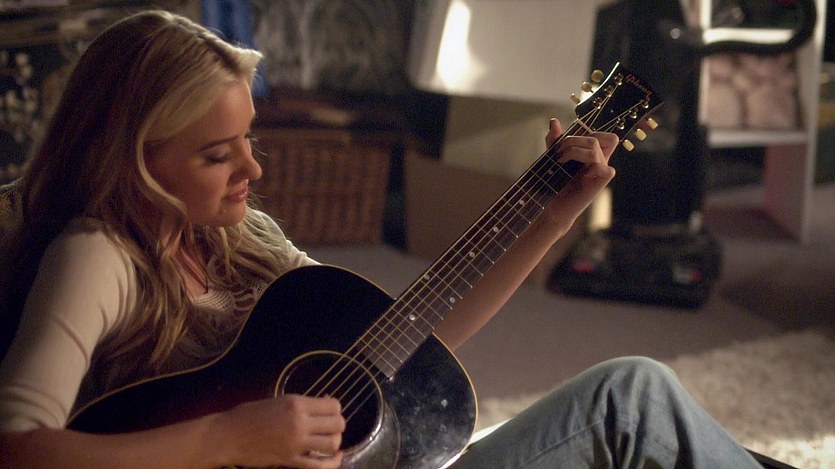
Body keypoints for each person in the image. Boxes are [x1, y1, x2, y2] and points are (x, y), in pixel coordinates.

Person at [0, 9, 763, 469]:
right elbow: (18, 447)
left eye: (248, 140)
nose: (252, 169)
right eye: (216, 154)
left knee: (642, 404)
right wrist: (227, 437)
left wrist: (553, 215)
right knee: (631, 402)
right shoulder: (97, 255)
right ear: (135, 157)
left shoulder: (240, 236)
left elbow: (399, 344)